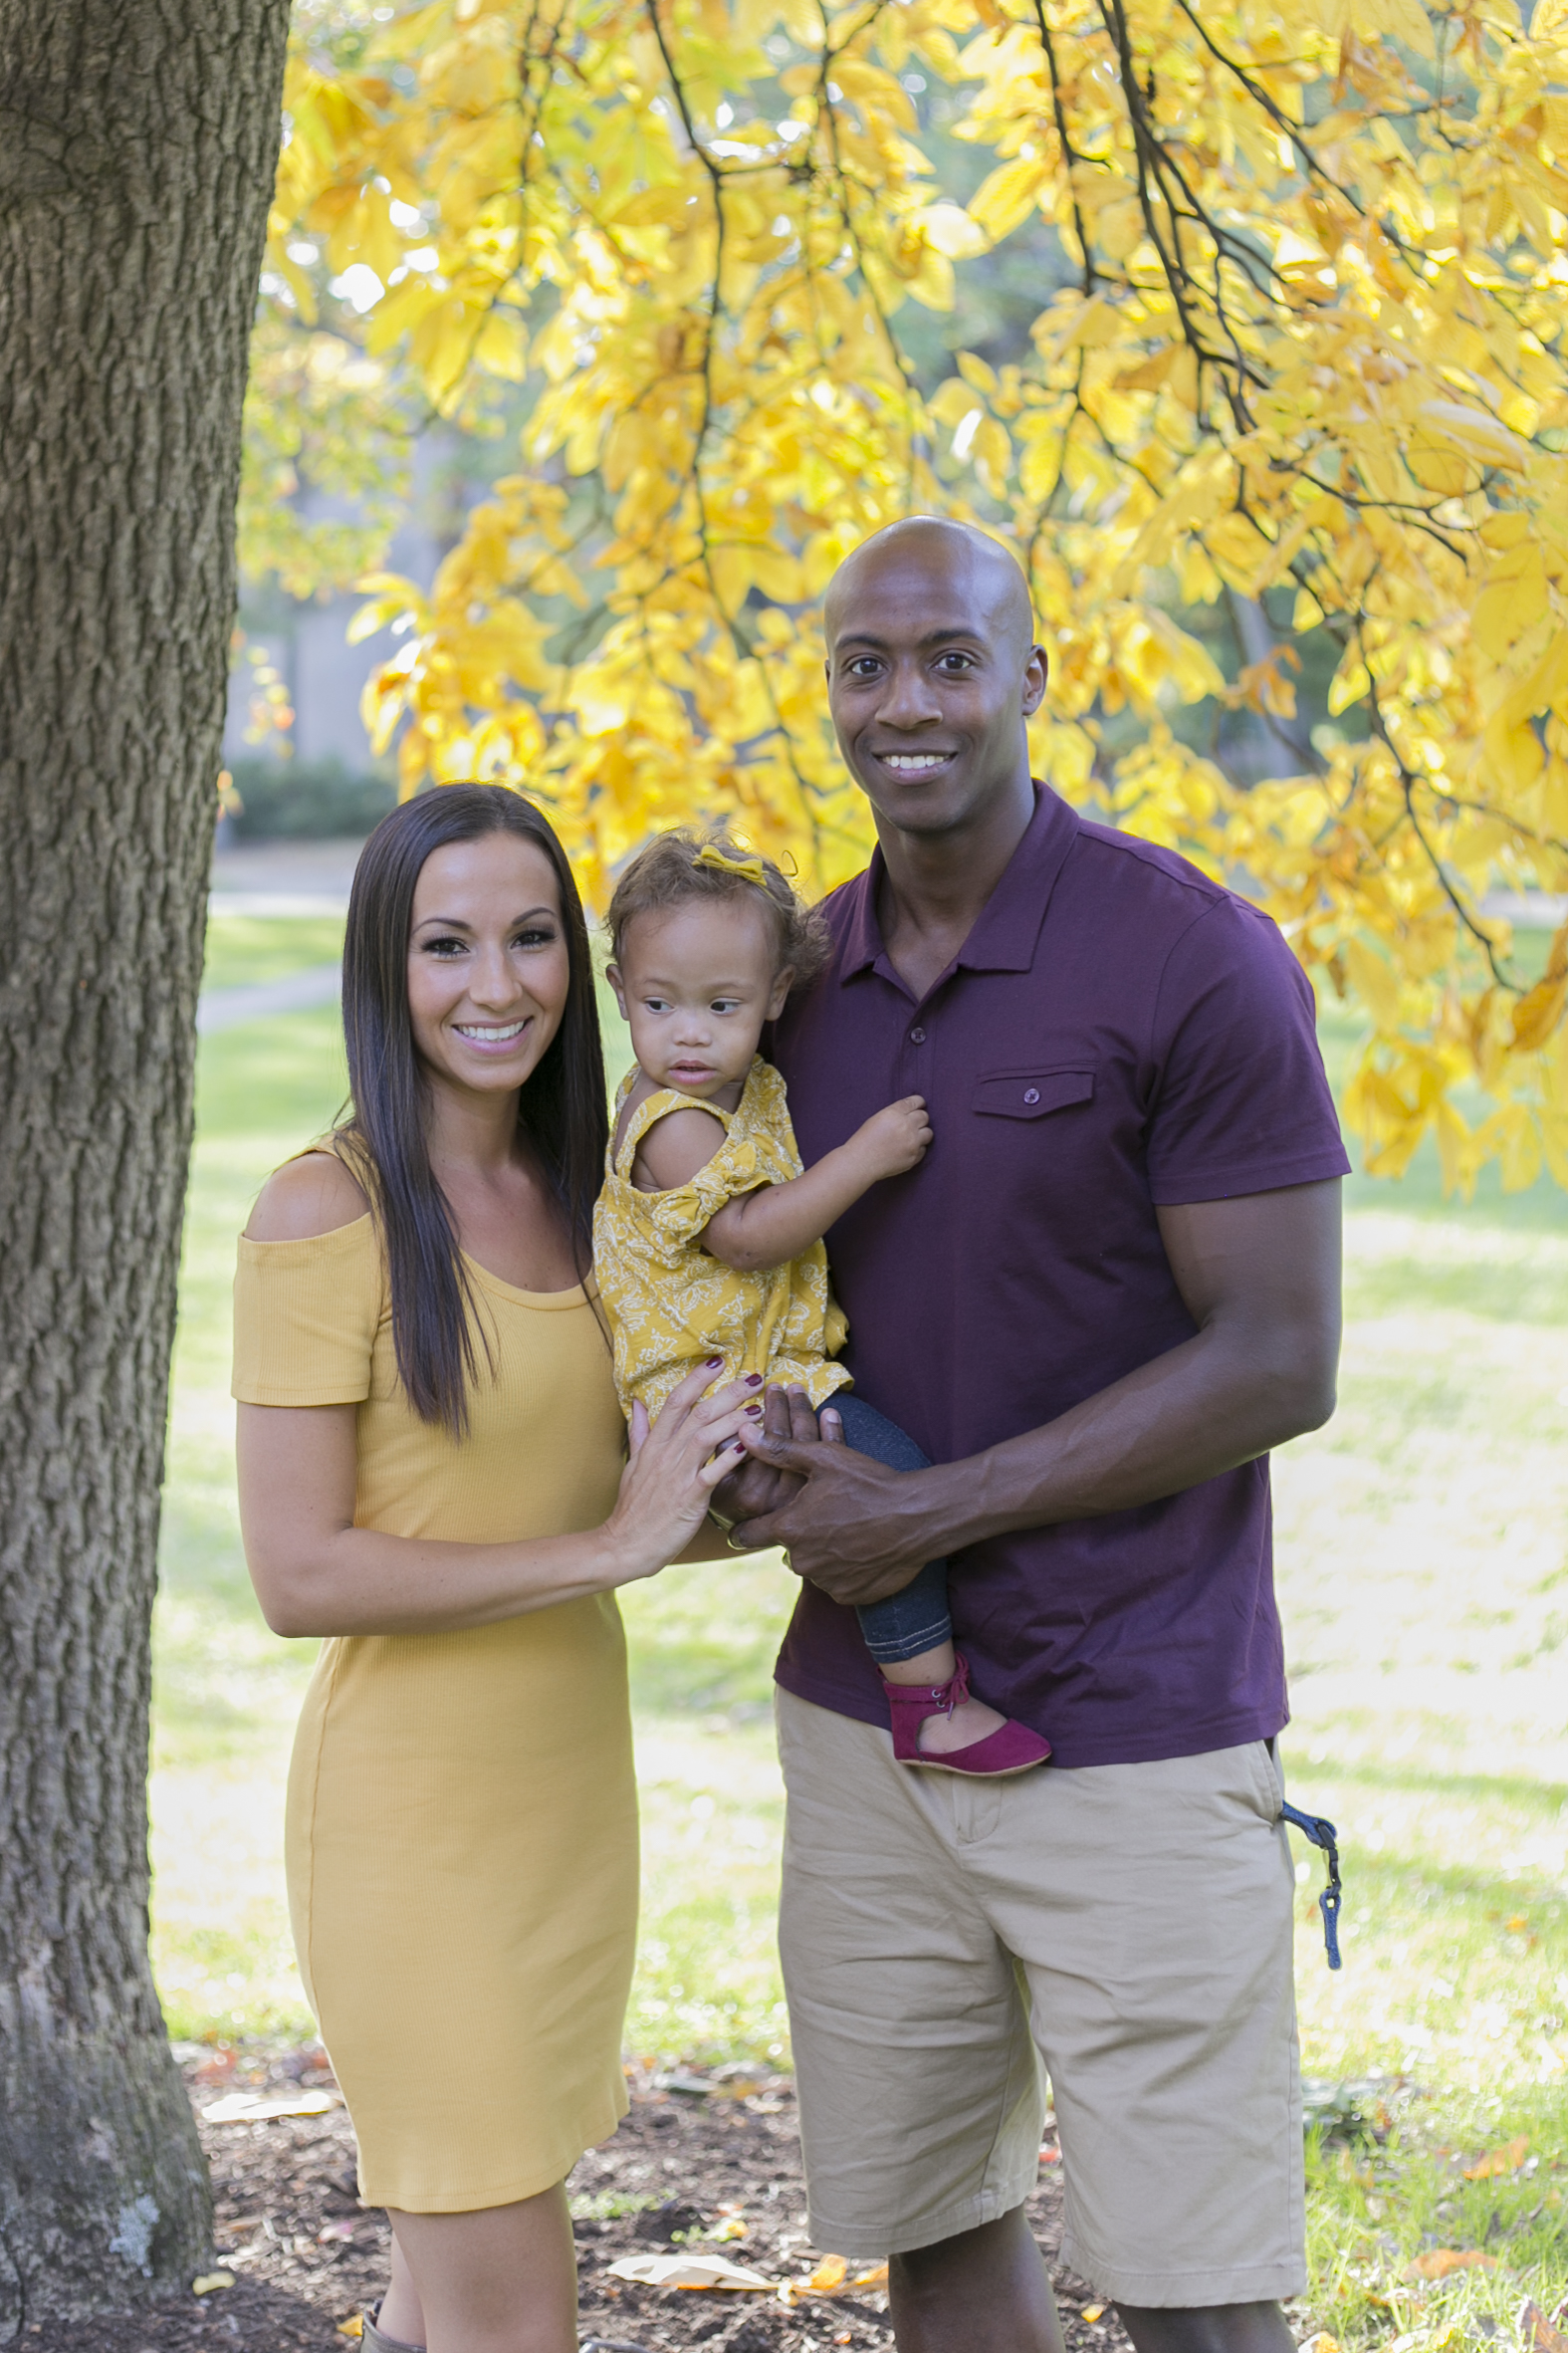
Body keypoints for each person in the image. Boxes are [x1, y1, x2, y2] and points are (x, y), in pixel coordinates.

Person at [718, 517, 1350, 2353]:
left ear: (1031, 679)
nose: (902, 700)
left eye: (947, 657)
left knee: (1203, 2289)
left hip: (1132, 1712)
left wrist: (932, 1515)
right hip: (865, 1731)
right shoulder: (795, 986)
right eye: (863, 661)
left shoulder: (1192, 958)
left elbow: (1281, 1356)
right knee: (942, 2237)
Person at [232, 786, 756, 2353]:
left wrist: (751, 1484)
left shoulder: (596, 1198)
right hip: (412, 1839)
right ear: (382, 970)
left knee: (444, 2311)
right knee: (512, 2320)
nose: (495, 982)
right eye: (444, 942)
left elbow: (623, 1488)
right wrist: (610, 1544)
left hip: (564, 1809)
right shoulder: (324, 1207)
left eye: (531, 937)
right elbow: (297, 1569)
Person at [592, 827, 1049, 1772]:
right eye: (656, 1004)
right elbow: (751, 1234)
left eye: (721, 1005)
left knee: (877, 1477)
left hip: (749, 1364)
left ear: (774, 999)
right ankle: (927, 1700)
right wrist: (864, 1158)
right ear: (619, 992)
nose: (687, 1032)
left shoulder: (740, 1084)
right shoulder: (671, 1120)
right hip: (710, 1388)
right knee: (885, 1477)